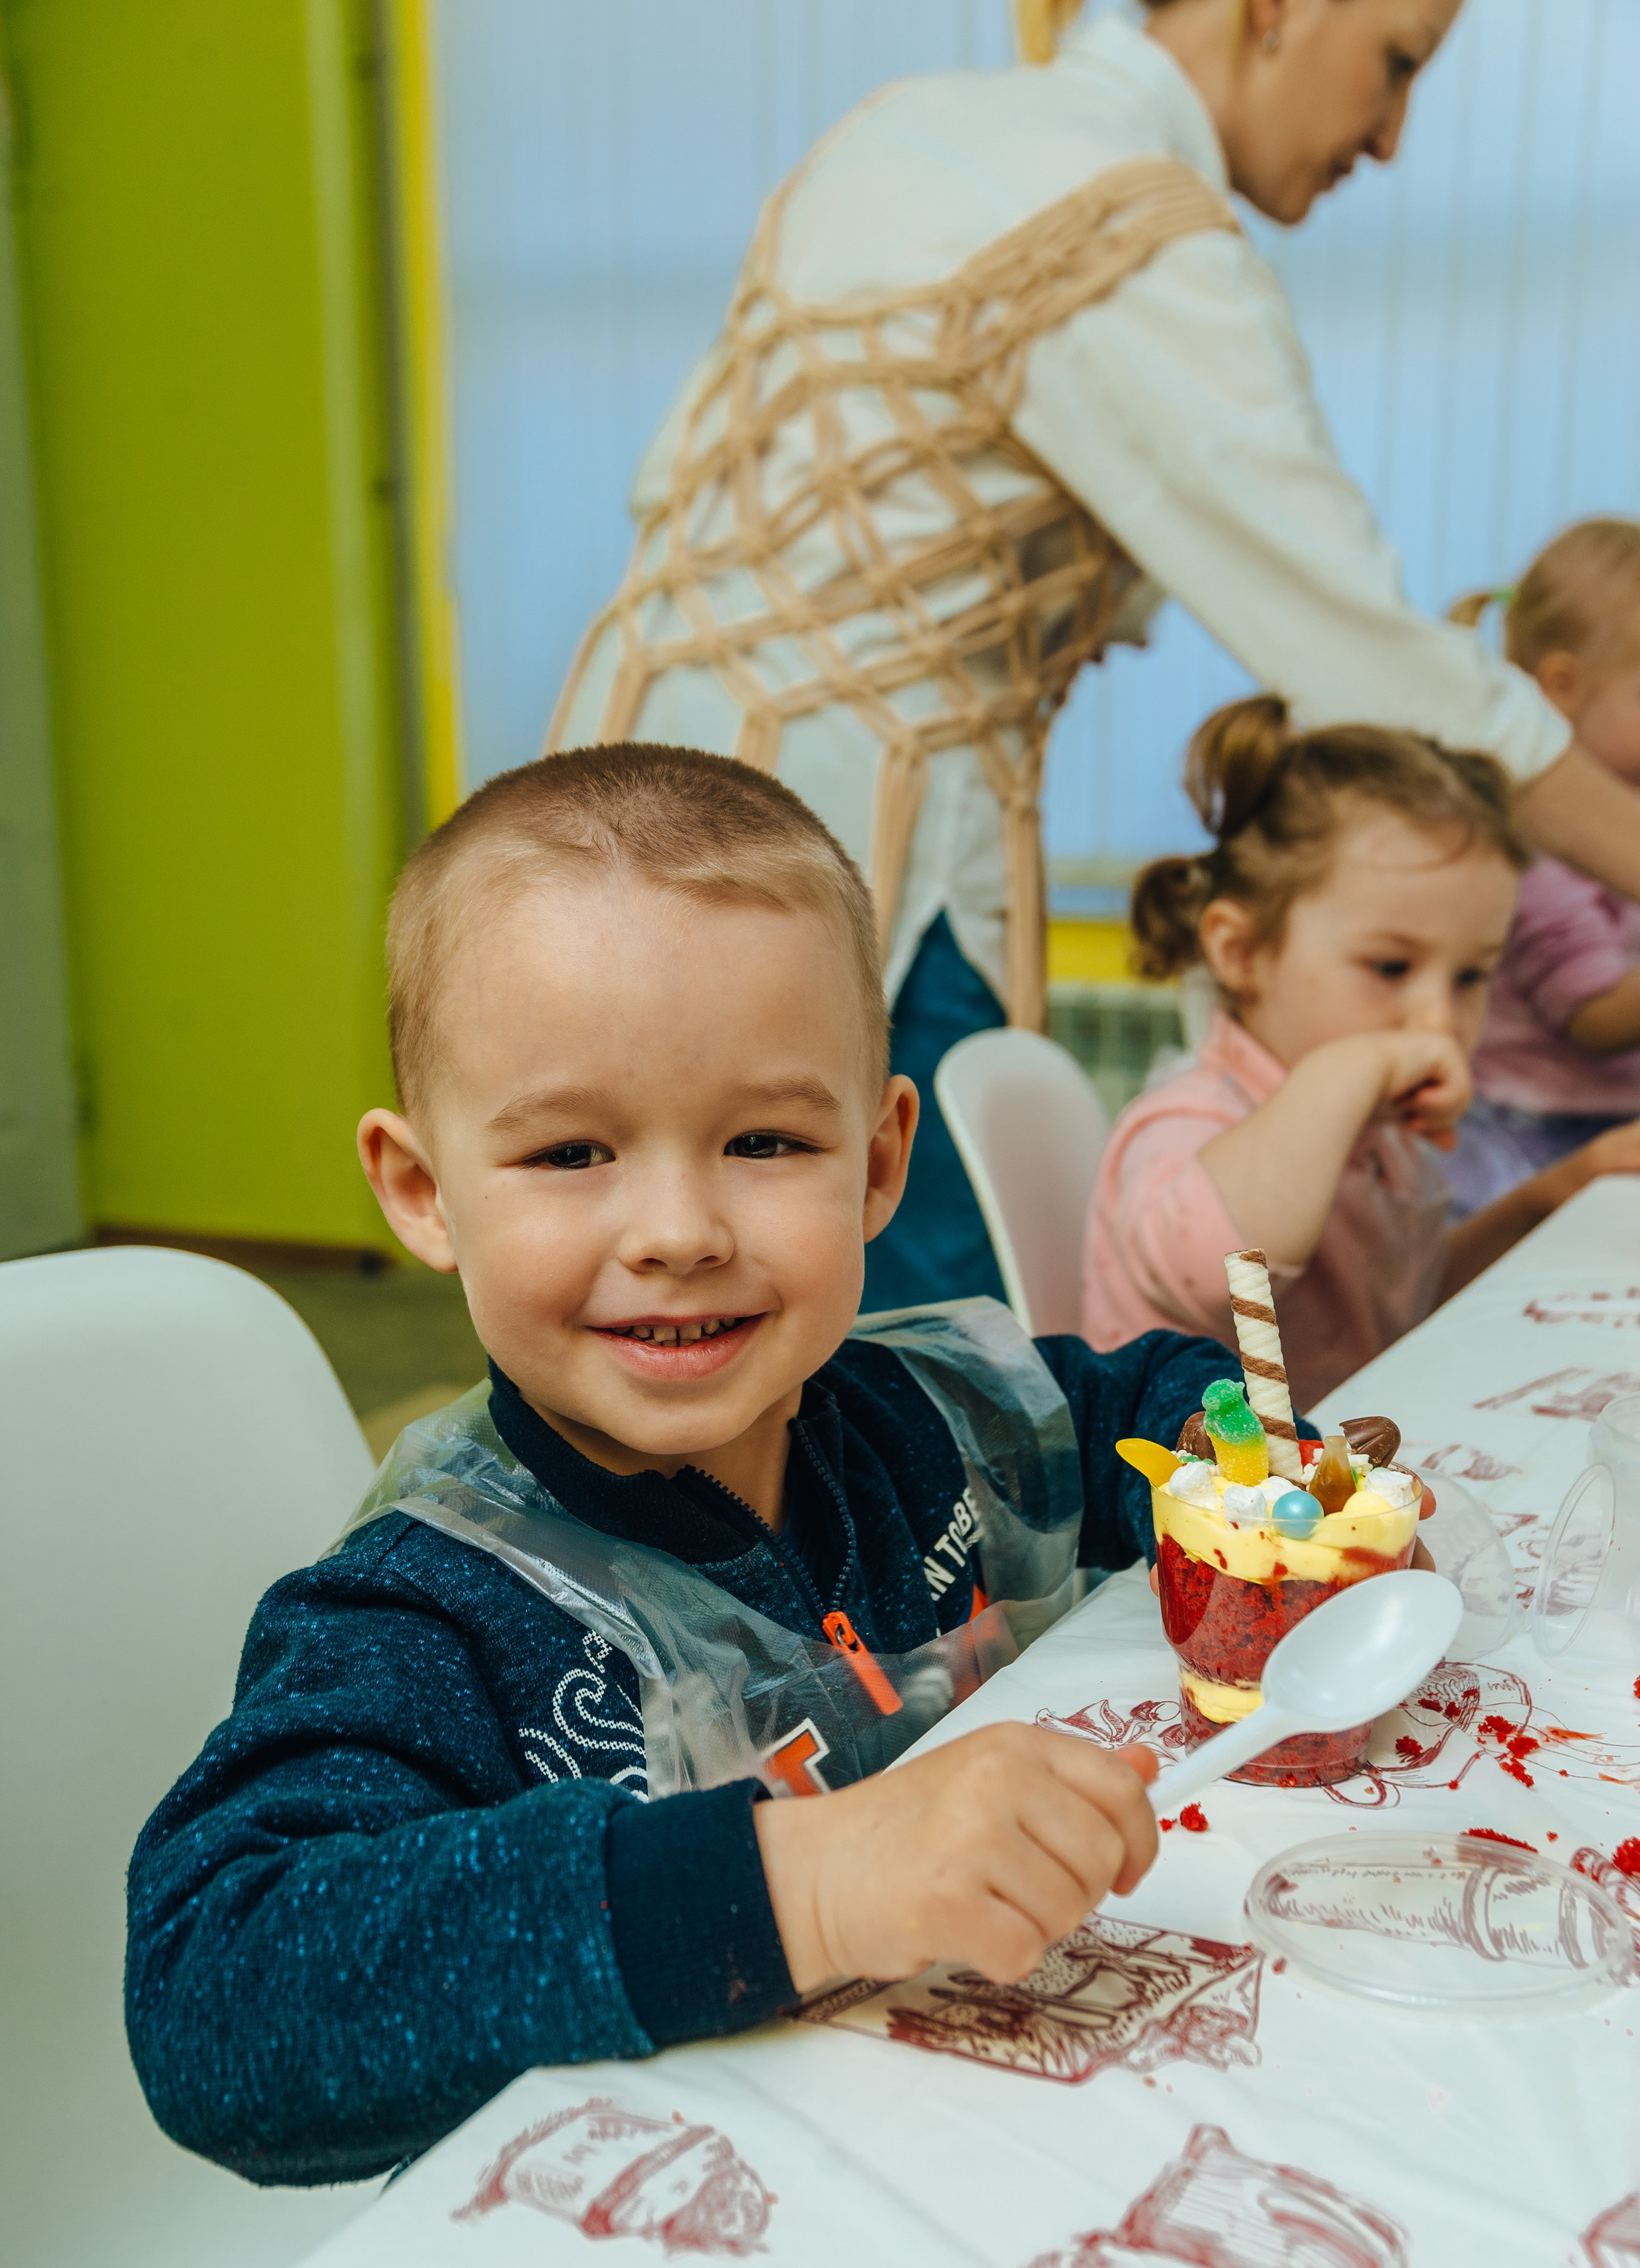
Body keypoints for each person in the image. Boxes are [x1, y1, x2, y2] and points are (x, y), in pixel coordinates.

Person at [124, 744, 1249, 2188]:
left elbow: (1140, 1406)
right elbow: (219, 1995)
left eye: (763, 1139)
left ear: (877, 1163)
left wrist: (1273, 1488)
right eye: (572, 1152)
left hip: (998, 2150)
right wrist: (814, 1881)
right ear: (424, 1192)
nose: (676, 1229)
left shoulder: (929, 1417)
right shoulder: (422, 1613)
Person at [545, 0, 1640, 1313]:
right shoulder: (1124, 225)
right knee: (903, 1351)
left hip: (619, 813)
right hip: (851, 860)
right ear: (1274, 11)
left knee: (656, 1300)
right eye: (1394, 65)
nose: (1392, 138)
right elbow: (1385, 667)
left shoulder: (921, 130)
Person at [1080, 698, 1640, 1405]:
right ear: (1241, 951)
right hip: (1184, 1507)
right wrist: (1356, 1067)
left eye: (1471, 976)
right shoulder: (1186, 1118)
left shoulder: (1376, 1130)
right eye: (1388, 967)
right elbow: (1217, 1278)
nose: (1436, 1019)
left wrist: (1553, 1193)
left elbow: (1400, 1310)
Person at [1444, 521, 1640, 1216]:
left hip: (1606, 1119)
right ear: (1561, 686)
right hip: (1525, 1136)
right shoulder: (1538, 845)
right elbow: (1589, 1015)